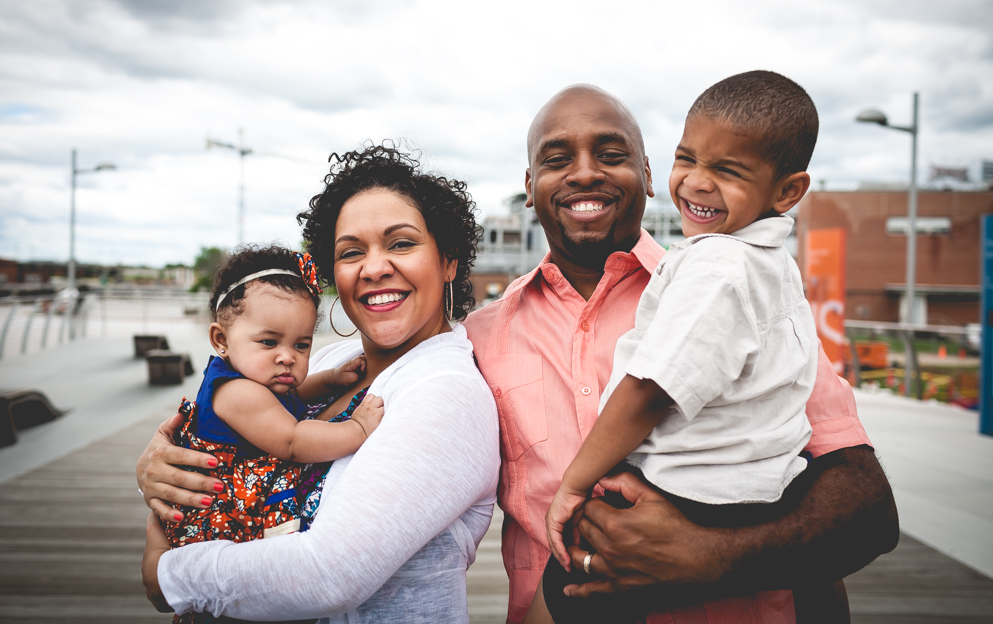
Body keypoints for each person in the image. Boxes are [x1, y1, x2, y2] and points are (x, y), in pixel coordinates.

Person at [461, 83, 899, 622]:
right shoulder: (478, 339)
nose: (583, 173)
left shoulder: (735, 292)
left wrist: (710, 557)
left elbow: (867, 512)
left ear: (646, 174)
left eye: (611, 154)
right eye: (557, 159)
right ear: (530, 185)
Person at [139, 144, 500, 623]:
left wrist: (167, 574)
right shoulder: (330, 362)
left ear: (448, 261)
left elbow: (327, 574)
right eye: (352, 252)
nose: (374, 268)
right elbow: (226, 441)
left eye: (400, 243)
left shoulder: (446, 391)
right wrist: (159, 468)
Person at [530, 72, 835, 624]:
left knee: (566, 586)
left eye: (728, 170)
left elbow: (649, 390)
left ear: (788, 192)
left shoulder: (718, 266)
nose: (696, 183)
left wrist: (574, 484)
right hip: (756, 493)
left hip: (698, 499)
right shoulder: (773, 268)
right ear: (528, 185)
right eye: (687, 159)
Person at [163, 245, 385, 572]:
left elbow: (293, 397)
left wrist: (331, 379)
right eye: (269, 342)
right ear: (221, 340)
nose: (287, 356)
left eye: (301, 344)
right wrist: (357, 430)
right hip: (226, 520)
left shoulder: (259, 378)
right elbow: (292, 440)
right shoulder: (236, 392)